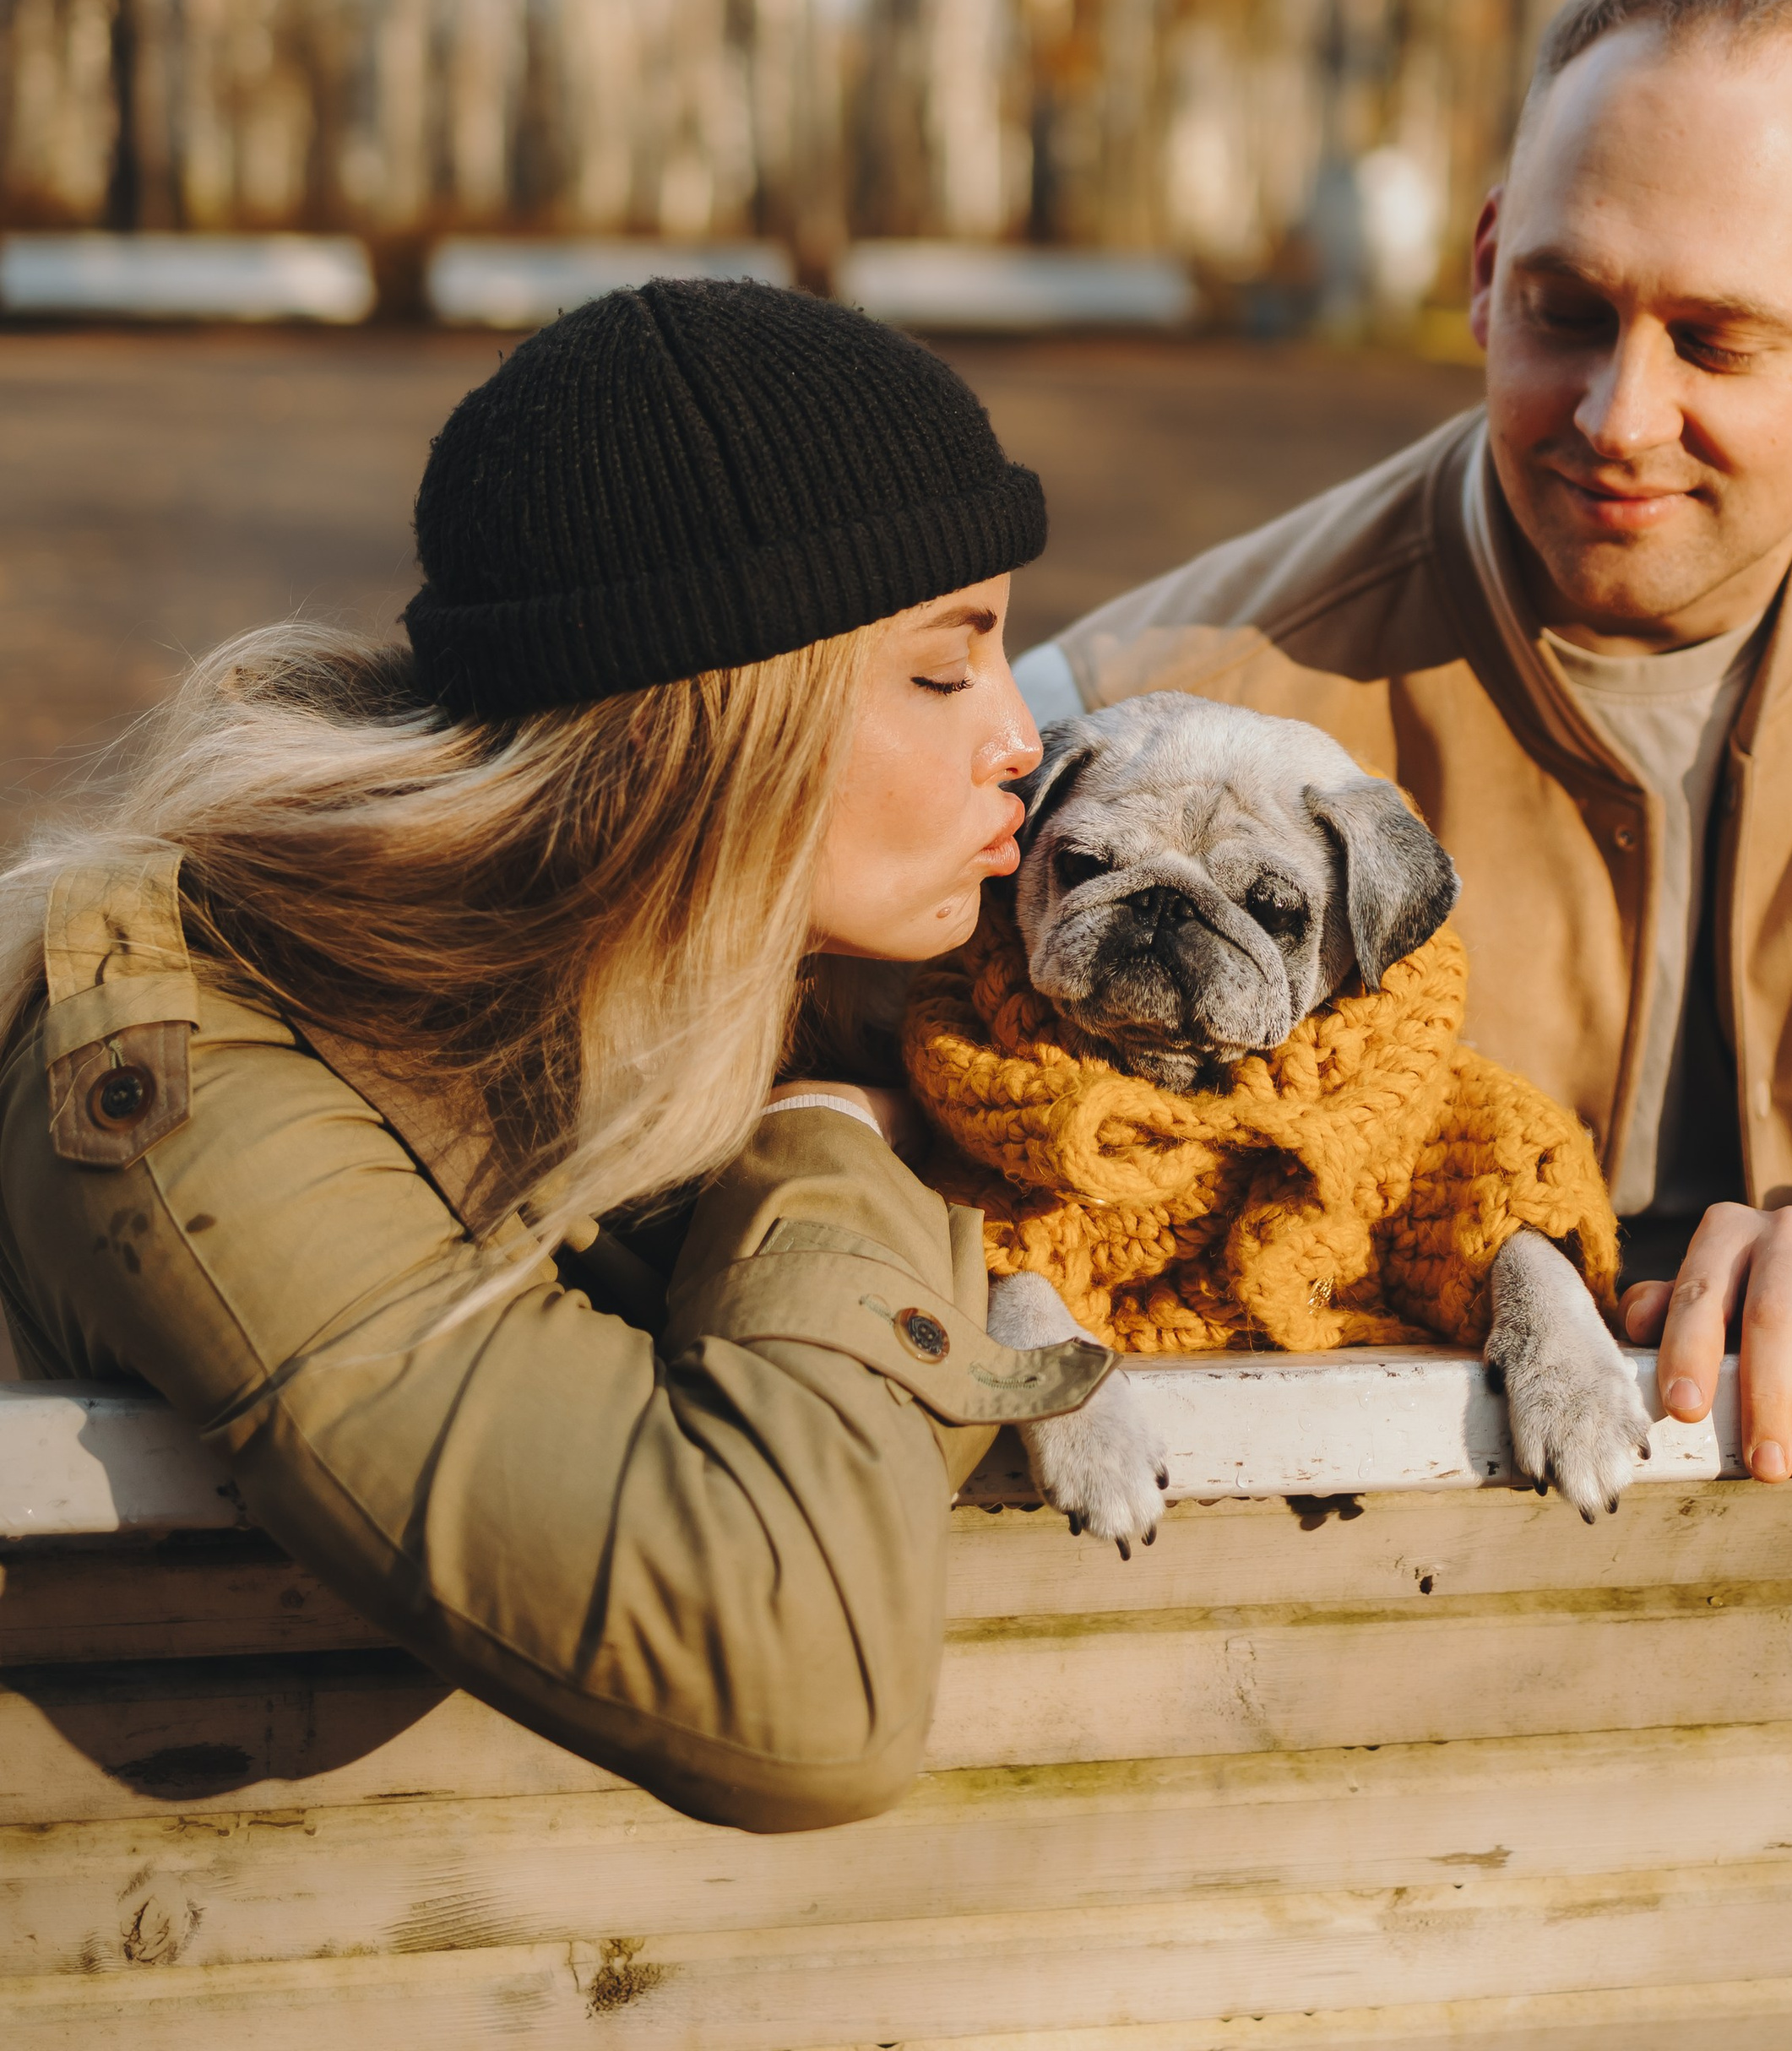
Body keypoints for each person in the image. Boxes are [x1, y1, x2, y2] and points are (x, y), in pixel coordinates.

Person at [1018, 0, 1792, 1491]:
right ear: (1487, 272)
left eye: (1717, 340)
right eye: (1567, 310)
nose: (1620, 419)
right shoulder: (1152, 703)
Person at [0, 281, 1105, 1831]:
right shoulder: (190, 1079)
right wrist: (833, 1126)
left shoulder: (682, 982)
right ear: (713, 724)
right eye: (945, 668)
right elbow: (803, 1681)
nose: (1019, 741)